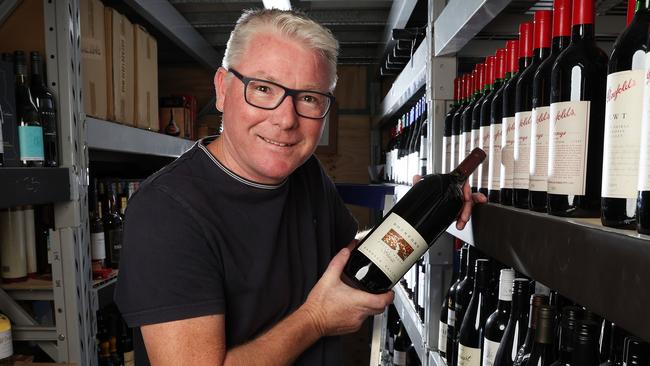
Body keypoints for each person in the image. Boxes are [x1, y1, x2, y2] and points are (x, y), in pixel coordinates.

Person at [114, 8, 485, 366]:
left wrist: (423, 216)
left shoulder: (306, 174)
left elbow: (354, 258)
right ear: (223, 88)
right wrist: (316, 319)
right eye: (263, 88)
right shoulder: (166, 213)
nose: (286, 119)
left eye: (308, 97)